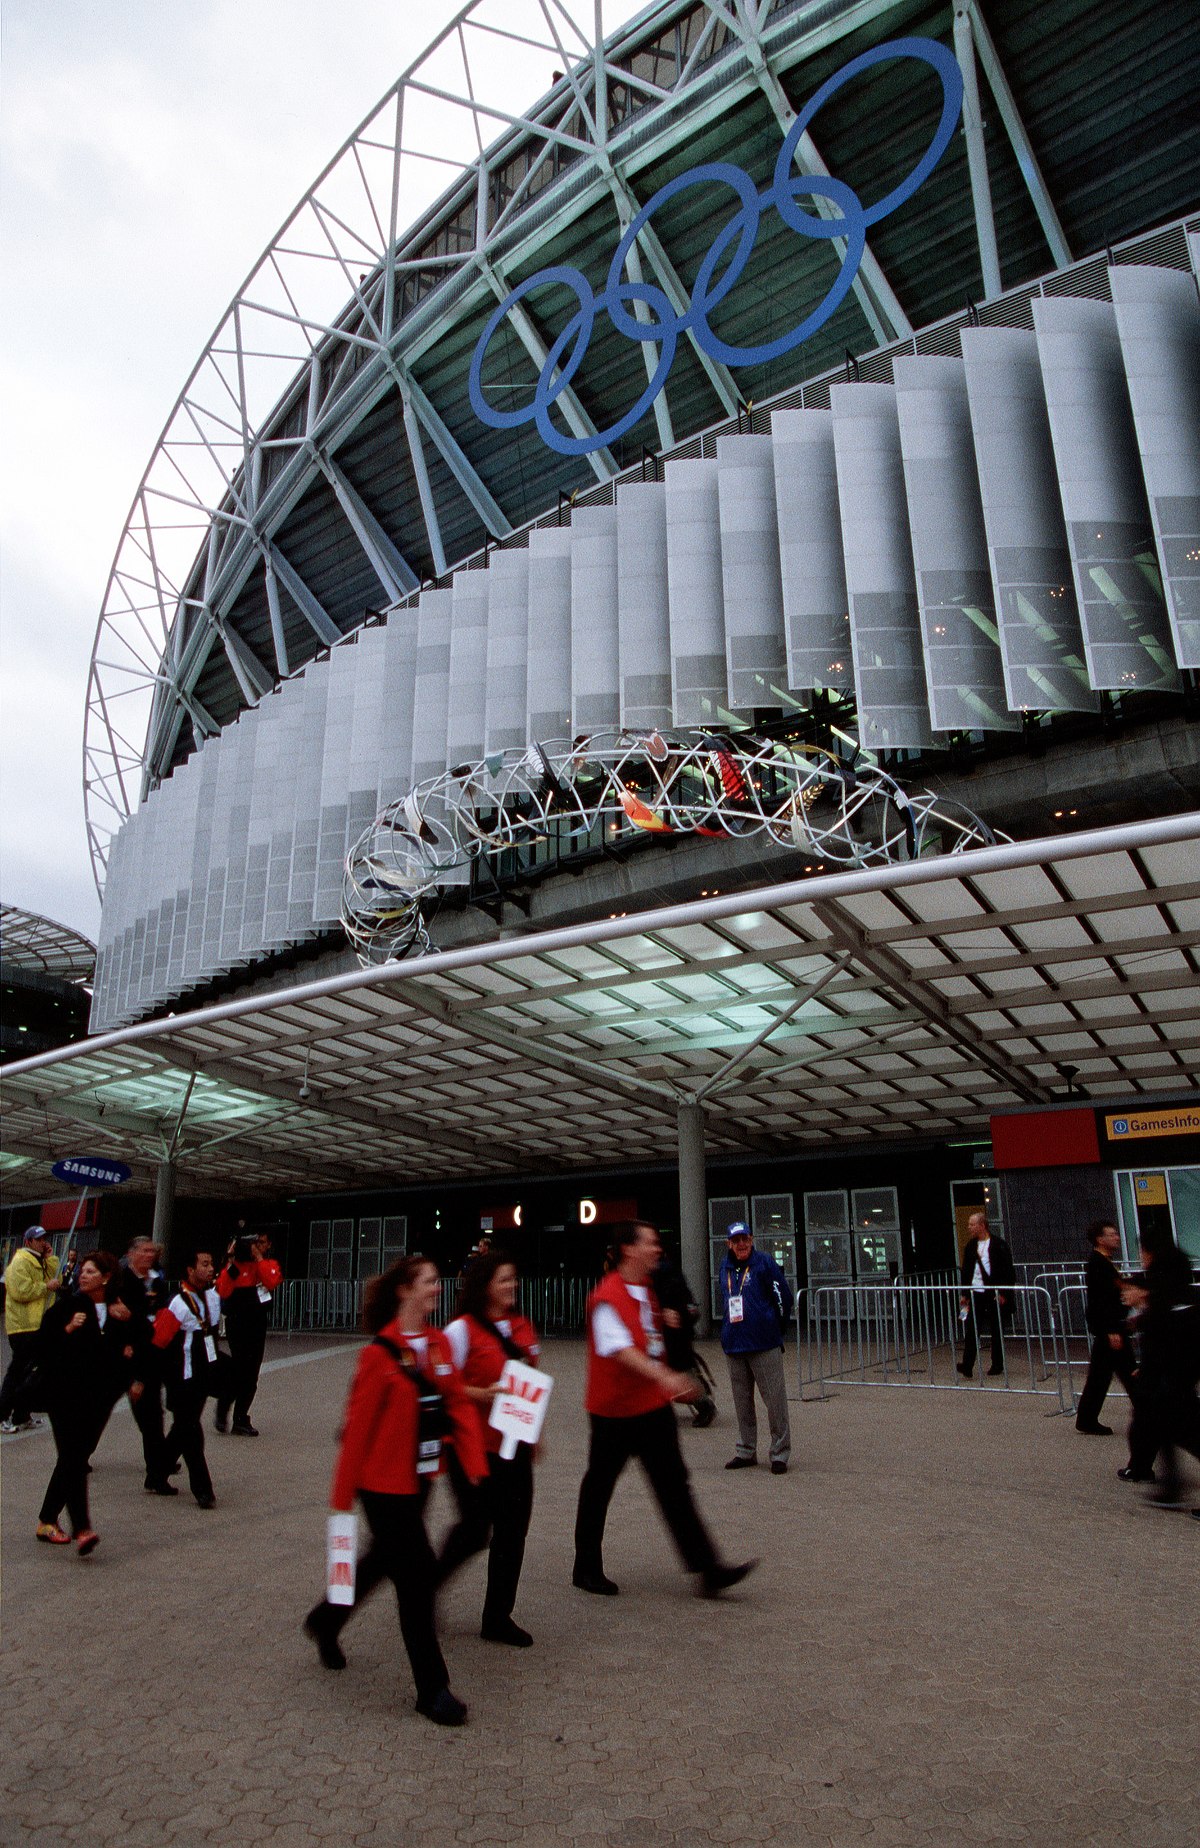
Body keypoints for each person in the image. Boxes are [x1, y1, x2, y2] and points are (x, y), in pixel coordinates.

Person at [304, 1256, 486, 1726]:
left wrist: (474, 1463)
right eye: (429, 1281)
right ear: (406, 1290)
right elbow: (357, 1433)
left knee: (381, 1561)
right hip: (381, 1485)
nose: (437, 1288)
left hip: (420, 1478)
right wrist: (341, 1502)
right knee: (417, 1578)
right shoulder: (377, 1356)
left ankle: (326, 1619)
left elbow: (457, 1404)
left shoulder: (438, 1343)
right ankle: (432, 1689)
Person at [573, 1220, 756, 1600]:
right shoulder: (607, 1296)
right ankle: (586, 1566)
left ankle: (708, 1568)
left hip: (651, 1408)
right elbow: (620, 1348)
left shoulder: (648, 1289)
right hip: (614, 1411)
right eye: (650, 1243)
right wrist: (666, 1377)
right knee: (599, 1486)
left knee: (674, 1485)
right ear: (629, 1250)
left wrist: (676, 1339)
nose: (657, 1249)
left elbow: (653, 1339)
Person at [436, 1250, 540, 1647]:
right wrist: (482, 1393)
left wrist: (538, 1433)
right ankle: (426, 1587)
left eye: (513, 1278)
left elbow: (531, 1381)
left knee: (513, 1532)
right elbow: (440, 1387)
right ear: (484, 1287)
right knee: (475, 1530)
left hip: (515, 1445)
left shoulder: (522, 1327)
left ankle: (498, 1616)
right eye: (503, 1280)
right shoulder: (461, 1331)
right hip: (473, 1448)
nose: (511, 1286)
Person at [35, 1250, 143, 1553]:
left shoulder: (117, 1309)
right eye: (82, 1270)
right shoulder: (68, 1306)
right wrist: (68, 1330)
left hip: (99, 1397)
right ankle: (82, 1528)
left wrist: (130, 1354)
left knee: (76, 1456)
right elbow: (41, 1345)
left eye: (91, 1272)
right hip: (63, 1394)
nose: (84, 1275)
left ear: (106, 1278)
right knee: (72, 1457)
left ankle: (46, 1519)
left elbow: (140, 1338)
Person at [1120, 1224, 1199, 1508]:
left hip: (1173, 1369)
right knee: (1171, 1425)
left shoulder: (1163, 1284)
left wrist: (1143, 1306)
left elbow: (1164, 1330)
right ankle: (1172, 1484)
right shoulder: (1173, 1275)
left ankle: (1170, 1483)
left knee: (1183, 1428)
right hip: (1177, 1368)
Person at [718, 1221, 793, 1473]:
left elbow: (783, 1295)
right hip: (735, 1344)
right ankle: (746, 1450)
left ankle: (779, 1453)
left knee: (774, 1399)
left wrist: (776, 1327)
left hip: (764, 1342)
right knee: (742, 1401)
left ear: (751, 1239)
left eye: (745, 1239)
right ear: (729, 1243)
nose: (741, 1244)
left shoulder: (764, 1263)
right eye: (736, 1240)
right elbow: (727, 1301)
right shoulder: (725, 1267)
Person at [153, 1249, 222, 1509]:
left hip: (203, 1372)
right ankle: (203, 1489)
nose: (209, 1268)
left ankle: (157, 1474)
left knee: (182, 1428)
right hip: (181, 1377)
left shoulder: (212, 1297)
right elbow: (159, 1341)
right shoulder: (178, 1303)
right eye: (204, 1264)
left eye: (211, 1263)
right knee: (191, 1431)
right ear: (190, 1270)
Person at [115, 1236, 174, 1493]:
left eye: (152, 1251)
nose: (150, 1255)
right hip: (125, 1355)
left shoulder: (156, 1279)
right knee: (97, 1410)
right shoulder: (120, 1281)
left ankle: (156, 1472)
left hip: (150, 1353)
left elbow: (161, 1310)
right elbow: (116, 1318)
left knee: (151, 1414)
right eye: (144, 1251)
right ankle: (78, 1454)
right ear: (131, 1254)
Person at [214, 1232, 282, 1435]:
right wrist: (231, 1259)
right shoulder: (235, 1268)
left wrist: (259, 1259)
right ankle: (224, 1409)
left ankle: (241, 1418)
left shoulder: (265, 1264)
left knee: (252, 1374)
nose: (256, 1247)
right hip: (237, 1325)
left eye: (260, 1243)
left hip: (257, 1325)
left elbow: (272, 1281)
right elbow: (223, 1290)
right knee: (239, 1370)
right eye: (253, 1244)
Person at [1075, 1220, 1138, 1437]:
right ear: (1100, 1239)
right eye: (1111, 1235)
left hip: (1111, 1327)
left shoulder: (1105, 1262)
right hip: (1110, 1328)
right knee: (1128, 1372)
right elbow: (1101, 1299)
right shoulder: (1098, 1263)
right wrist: (1111, 1329)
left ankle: (1087, 1418)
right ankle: (1149, 1412)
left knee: (1101, 1375)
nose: (1117, 1237)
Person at [1, 1227, 62, 1433]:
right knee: (17, 1373)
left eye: (44, 1238)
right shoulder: (20, 1262)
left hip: (39, 1326)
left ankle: (21, 1415)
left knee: (31, 1374)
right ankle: (2, 1415)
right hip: (23, 1327)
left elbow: (57, 1279)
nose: (43, 1242)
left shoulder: (42, 1261)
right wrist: (46, 1287)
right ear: (28, 1242)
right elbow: (21, 1290)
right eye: (38, 1239)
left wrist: (52, 1259)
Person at [957, 1211, 1015, 1378]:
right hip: (975, 1293)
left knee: (996, 1329)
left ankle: (997, 1364)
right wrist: (964, 1293)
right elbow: (966, 1271)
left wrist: (1004, 1292)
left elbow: (1007, 1271)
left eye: (972, 1224)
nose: (969, 1227)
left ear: (982, 1225)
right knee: (971, 1328)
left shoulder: (998, 1245)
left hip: (993, 1293)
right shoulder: (970, 1246)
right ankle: (967, 1364)